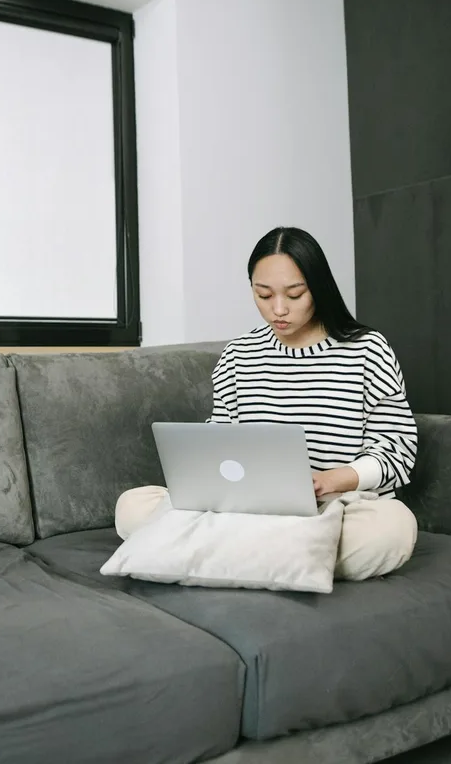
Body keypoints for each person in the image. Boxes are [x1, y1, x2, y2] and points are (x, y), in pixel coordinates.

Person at [115, 226, 419, 581]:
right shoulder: (238, 354)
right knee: (132, 507)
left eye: (295, 294)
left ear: (318, 287)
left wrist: (331, 481)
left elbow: (397, 451)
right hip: (248, 511)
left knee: (391, 529)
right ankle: (286, 562)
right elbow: (219, 441)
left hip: (334, 509)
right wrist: (209, 480)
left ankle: (218, 559)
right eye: (263, 295)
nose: (278, 309)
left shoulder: (368, 349)